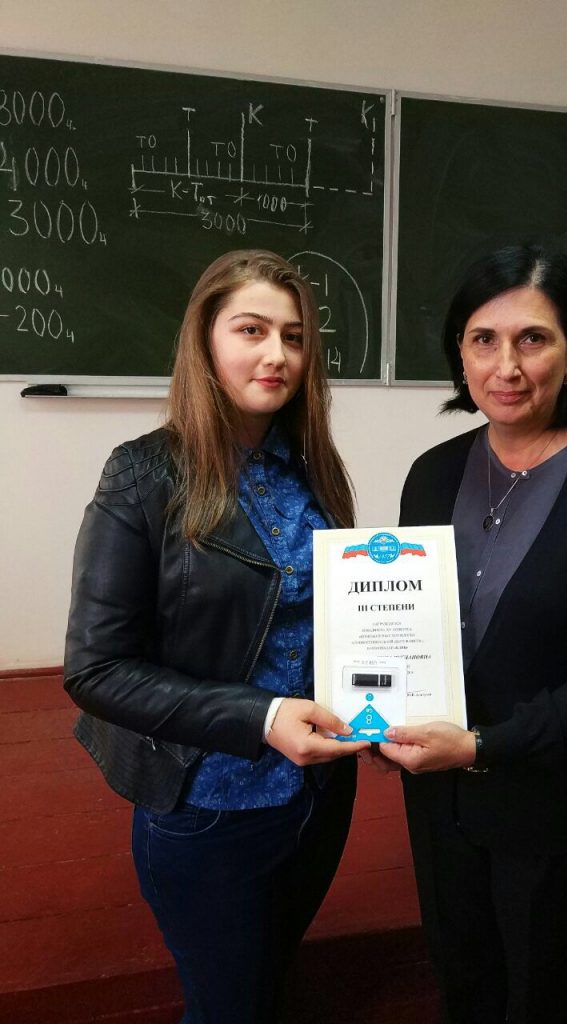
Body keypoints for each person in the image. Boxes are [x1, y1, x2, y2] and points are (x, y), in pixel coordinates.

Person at [64, 249, 369, 1024]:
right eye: (252, 330)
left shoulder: (311, 469)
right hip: (209, 807)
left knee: (271, 984)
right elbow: (96, 670)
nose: (278, 354)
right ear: (205, 338)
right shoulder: (142, 476)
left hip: (317, 795)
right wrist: (262, 718)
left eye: (294, 336)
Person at [377, 245, 567, 1023]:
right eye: (484, 339)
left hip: (556, 812)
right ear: (460, 351)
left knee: (541, 999)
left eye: (532, 339)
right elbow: (405, 627)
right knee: (463, 986)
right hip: (440, 804)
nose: (506, 366)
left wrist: (481, 746)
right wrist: (373, 705)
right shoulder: (431, 474)